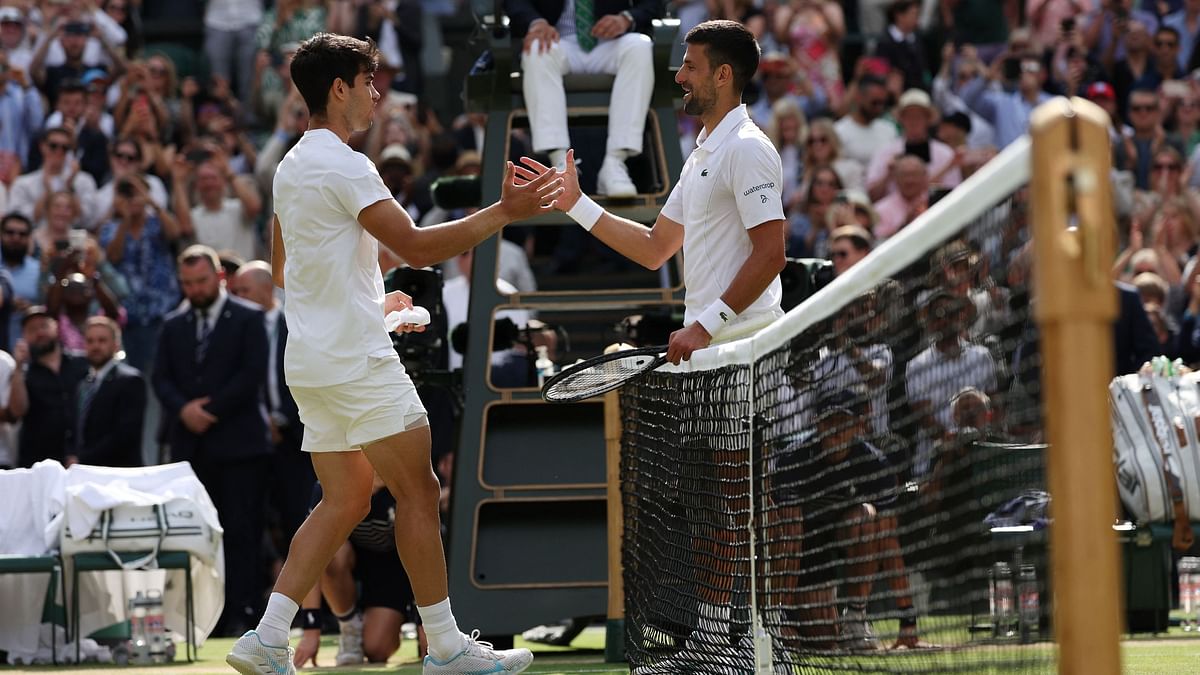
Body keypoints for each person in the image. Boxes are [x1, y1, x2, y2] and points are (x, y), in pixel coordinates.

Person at [225, 32, 562, 675]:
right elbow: (416, 247)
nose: (377, 92)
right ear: (339, 89)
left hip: (313, 363)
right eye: (368, 80)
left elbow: (285, 268)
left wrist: (372, 307)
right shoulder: (348, 164)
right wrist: (506, 210)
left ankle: (265, 638)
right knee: (417, 488)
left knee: (345, 500)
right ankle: (446, 648)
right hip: (355, 360)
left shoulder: (292, 166)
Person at [532, 20, 786, 366]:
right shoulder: (701, 156)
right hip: (711, 351)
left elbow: (771, 255)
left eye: (691, 66)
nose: (680, 76)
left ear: (723, 75)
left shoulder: (747, 148)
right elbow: (654, 248)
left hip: (747, 350)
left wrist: (705, 326)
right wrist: (577, 205)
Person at [153, 245, 271, 636]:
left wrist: (211, 409)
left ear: (219, 277)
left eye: (201, 281)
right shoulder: (173, 325)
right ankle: (209, 616)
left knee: (242, 530)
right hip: (192, 447)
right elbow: (161, 378)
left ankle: (244, 611)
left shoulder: (249, 318)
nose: (194, 289)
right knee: (198, 532)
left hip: (240, 444)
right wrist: (183, 409)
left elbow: (251, 373)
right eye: (187, 283)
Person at [504, 0, 662, 196]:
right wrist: (535, 22)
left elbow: (654, 3)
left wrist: (626, 19)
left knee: (639, 46)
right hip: (558, 40)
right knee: (537, 49)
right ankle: (560, 166)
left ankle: (615, 163)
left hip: (612, 42)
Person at [69, 315, 144, 467]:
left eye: (102, 340)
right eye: (90, 341)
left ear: (116, 345)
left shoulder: (130, 381)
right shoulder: (83, 383)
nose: (95, 346)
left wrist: (83, 459)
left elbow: (124, 436)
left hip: (118, 474)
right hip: (86, 472)